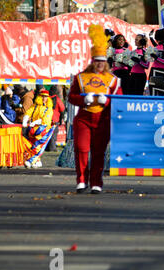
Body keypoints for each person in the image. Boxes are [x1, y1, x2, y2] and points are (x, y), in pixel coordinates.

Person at [68, 24, 122, 194]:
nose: (99, 64)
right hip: (83, 118)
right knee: (82, 149)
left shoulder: (113, 80)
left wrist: (107, 101)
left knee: (99, 152)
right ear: (92, 61)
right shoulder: (81, 77)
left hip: (103, 120)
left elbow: (119, 101)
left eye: (102, 61)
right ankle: (81, 180)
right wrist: (84, 100)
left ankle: (96, 182)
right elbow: (71, 97)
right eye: (96, 61)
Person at [22, 88, 55, 168]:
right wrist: (25, 120)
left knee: (38, 146)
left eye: (46, 97)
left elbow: (45, 121)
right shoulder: (35, 105)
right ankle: (38, 161)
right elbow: (28, 112)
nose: (44, 98)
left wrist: (34, 122)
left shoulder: (49, 108)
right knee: (31, 145)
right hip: (33, 129)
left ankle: (30, 161)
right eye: (43, 96)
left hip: (44, 130)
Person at [148, 28, 164, 96]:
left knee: (160, 90)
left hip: (161, 71)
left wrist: (156, 58)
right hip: (153, 69)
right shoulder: (157, 46)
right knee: (151, 88)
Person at [45, 85, 65, 152]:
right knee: (53, 133)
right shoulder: (57, 99)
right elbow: (62, 108)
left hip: (46, 118)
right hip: (55, 118)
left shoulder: (47, 98)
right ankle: (52, 148)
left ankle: (46, 147)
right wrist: (61, 118)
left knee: (46, 133)